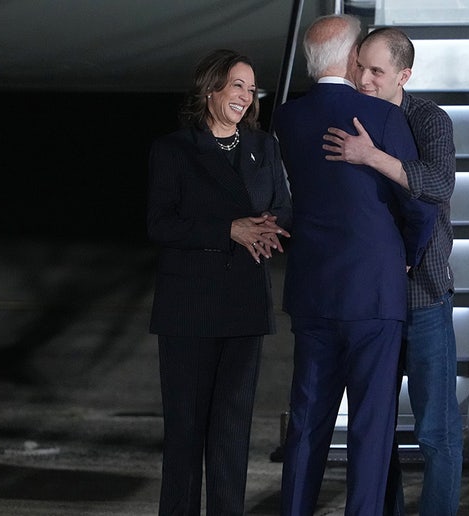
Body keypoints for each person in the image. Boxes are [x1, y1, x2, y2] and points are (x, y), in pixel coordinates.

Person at [271, 14, 437, 516]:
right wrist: (405, 259)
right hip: (374, 291)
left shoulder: (286, 118)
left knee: (307, 420)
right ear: (350, 59)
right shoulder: (382, 118)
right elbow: (420, 205)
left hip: (313, 289)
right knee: (370, 424)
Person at [146, 48, 292, 516]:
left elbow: (285, 207)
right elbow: (160, 225)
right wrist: (228, 229)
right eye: (237, 86)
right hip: (189, 305)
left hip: (245, 303)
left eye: (252, 89)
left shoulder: (263, 146)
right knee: (186, 433)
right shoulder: (174, 149)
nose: (246, 97)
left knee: (232, 434)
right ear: (210, 90)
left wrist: (269, 226)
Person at [322, 27, 461, 515]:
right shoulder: (352, 112)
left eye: (376, 71)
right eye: (360, 66)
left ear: (404, 75)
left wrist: (371, 156)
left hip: (423, 298)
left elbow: (439, 183)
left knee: (436, 432)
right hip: (372, 300)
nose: (362, 78)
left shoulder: (428, 119)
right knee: (376, 429)